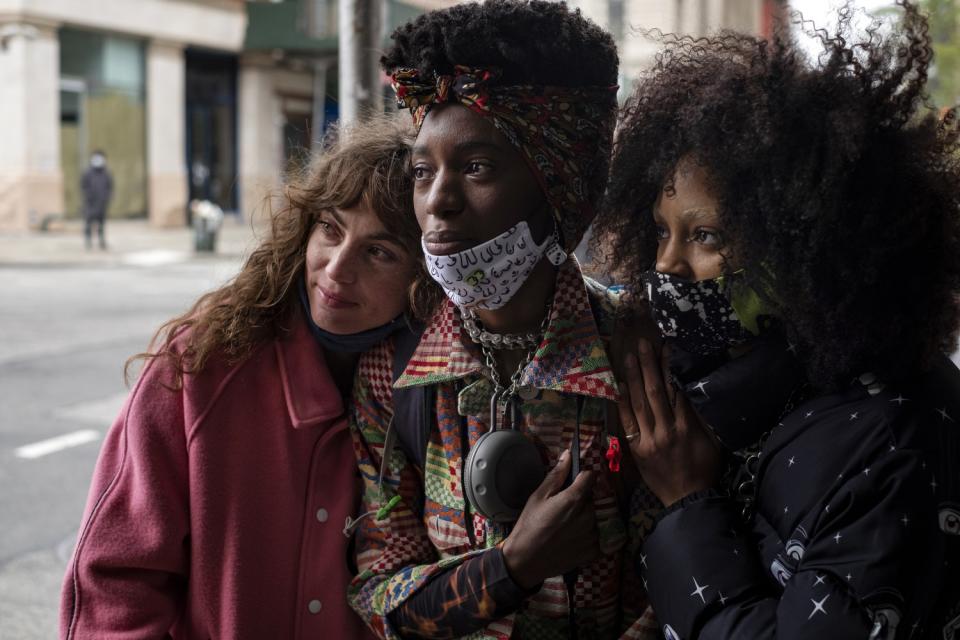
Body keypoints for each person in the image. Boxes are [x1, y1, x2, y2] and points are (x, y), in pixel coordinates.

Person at [593, 1, 960, 638]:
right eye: (659, 231)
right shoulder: (751, 386)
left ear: (807, 251)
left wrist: (687, 504)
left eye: (705, 235)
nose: (666, 264)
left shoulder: (891, 443)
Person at [60, 118, 443, 639]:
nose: (336, 268)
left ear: (424, 276)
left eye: (379, 252)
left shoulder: (444, 392)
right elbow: (115, 583)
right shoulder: (202, 366)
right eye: (330, 228)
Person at [347, 2, 660, 638]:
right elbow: (378, 593)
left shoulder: (639, 353)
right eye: (423, 172)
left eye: (477, 167)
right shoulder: (394, 373)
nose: (439, 202)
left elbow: (679, 587)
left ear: (557, 187)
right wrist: (511, 568)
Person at [80, 150, 112, 250]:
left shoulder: (106, 173)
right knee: (88, 224)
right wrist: (88, 196)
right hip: (90, 203)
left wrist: (106, 197)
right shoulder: (88, 173)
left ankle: (101, 241)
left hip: (102, 203)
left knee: (101, 225)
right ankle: (88, 242)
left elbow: (110, 186)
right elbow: (83, 186)